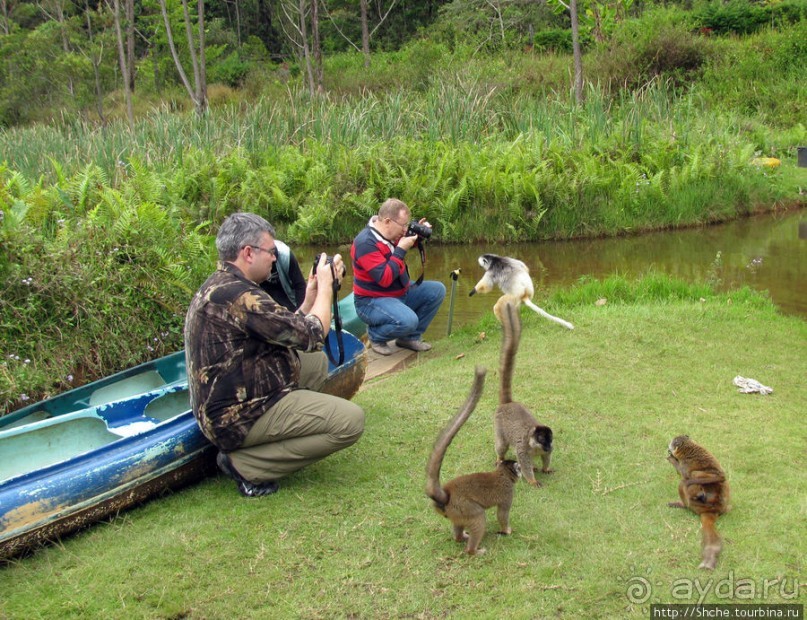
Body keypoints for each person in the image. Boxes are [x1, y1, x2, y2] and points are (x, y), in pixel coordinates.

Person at [184, 212, 365, 497]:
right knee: (350, 422)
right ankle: (248, 465)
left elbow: (286, 330)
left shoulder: (223, 285)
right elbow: (313, 334)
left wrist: (309, 299)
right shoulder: (241, 297)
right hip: (236, 417)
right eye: (270, 252)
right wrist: (327, 289)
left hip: (232, 397)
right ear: (247, 253)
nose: (273, 258)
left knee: (314, 361)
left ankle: (284, 431)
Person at [351, 198, 446, 356]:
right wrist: (401, 249)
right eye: (403, 225)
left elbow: (399, 244)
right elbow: (384, 278)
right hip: (371, 301)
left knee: (437, 290)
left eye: (407, 224)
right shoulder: (365, 243)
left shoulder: (389, 234)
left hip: (399, 292)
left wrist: (417, 236)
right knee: (409, 320)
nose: (405, 229)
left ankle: (408, 338)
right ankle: (376, 336)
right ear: (388, 221)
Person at [260, 239, 307, 311]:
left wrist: (301, 313)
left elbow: (300, 285)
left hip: (285, 292)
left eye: (274, 255)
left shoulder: (285, 255)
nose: (274, 258)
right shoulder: (252, 259)